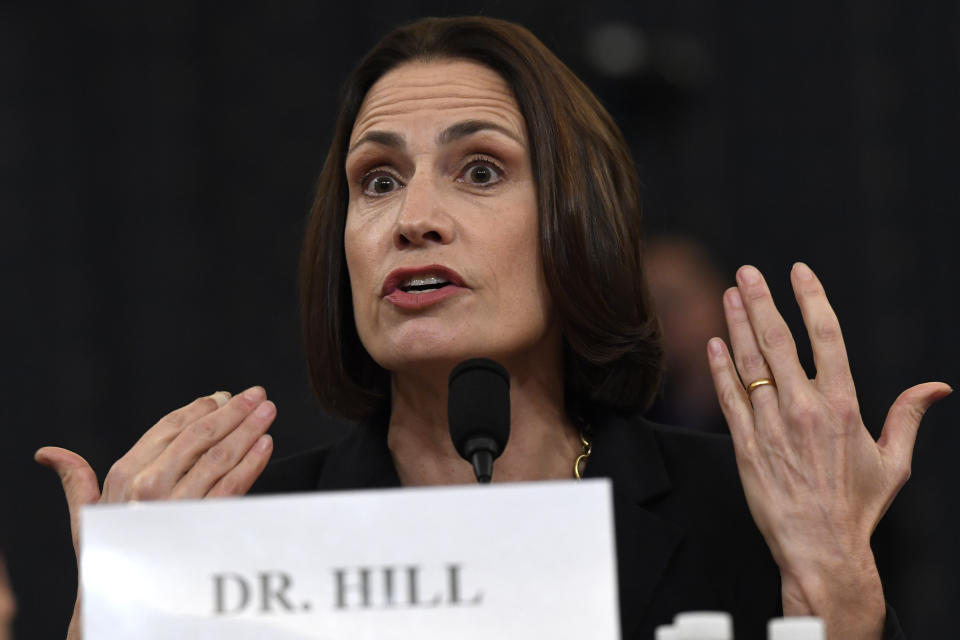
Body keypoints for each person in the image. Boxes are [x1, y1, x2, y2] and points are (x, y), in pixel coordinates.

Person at [35, 16, 949, 640]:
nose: (413, 218)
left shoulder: (745, 516)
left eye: (479, 171)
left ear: (574, 228)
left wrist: (834, 587)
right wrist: (120, 620)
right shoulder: (243, 541)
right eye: (378, 181)